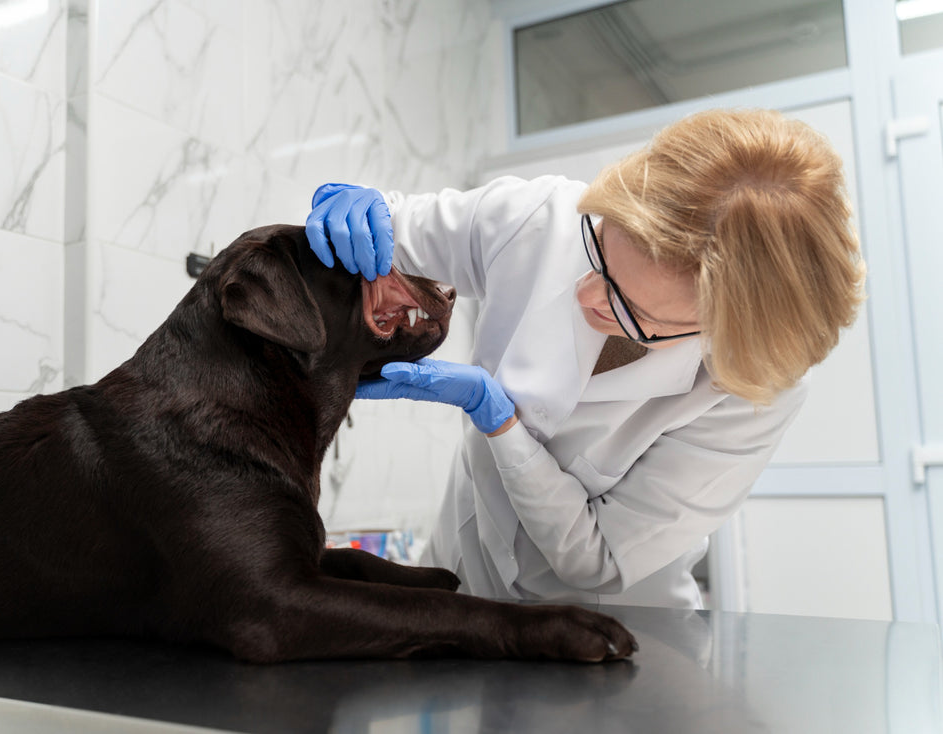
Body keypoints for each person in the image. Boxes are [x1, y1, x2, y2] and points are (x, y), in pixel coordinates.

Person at [304, 108, 866, 608]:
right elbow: (392, 233)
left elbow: (594, 558)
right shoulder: (545, 219)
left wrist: (502, 424)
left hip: (599, 623)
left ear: (722, 331)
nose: (585, 295)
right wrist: (356, 215)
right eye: (600, 250)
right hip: (459, 567)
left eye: (629, 305)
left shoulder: (751, 390)